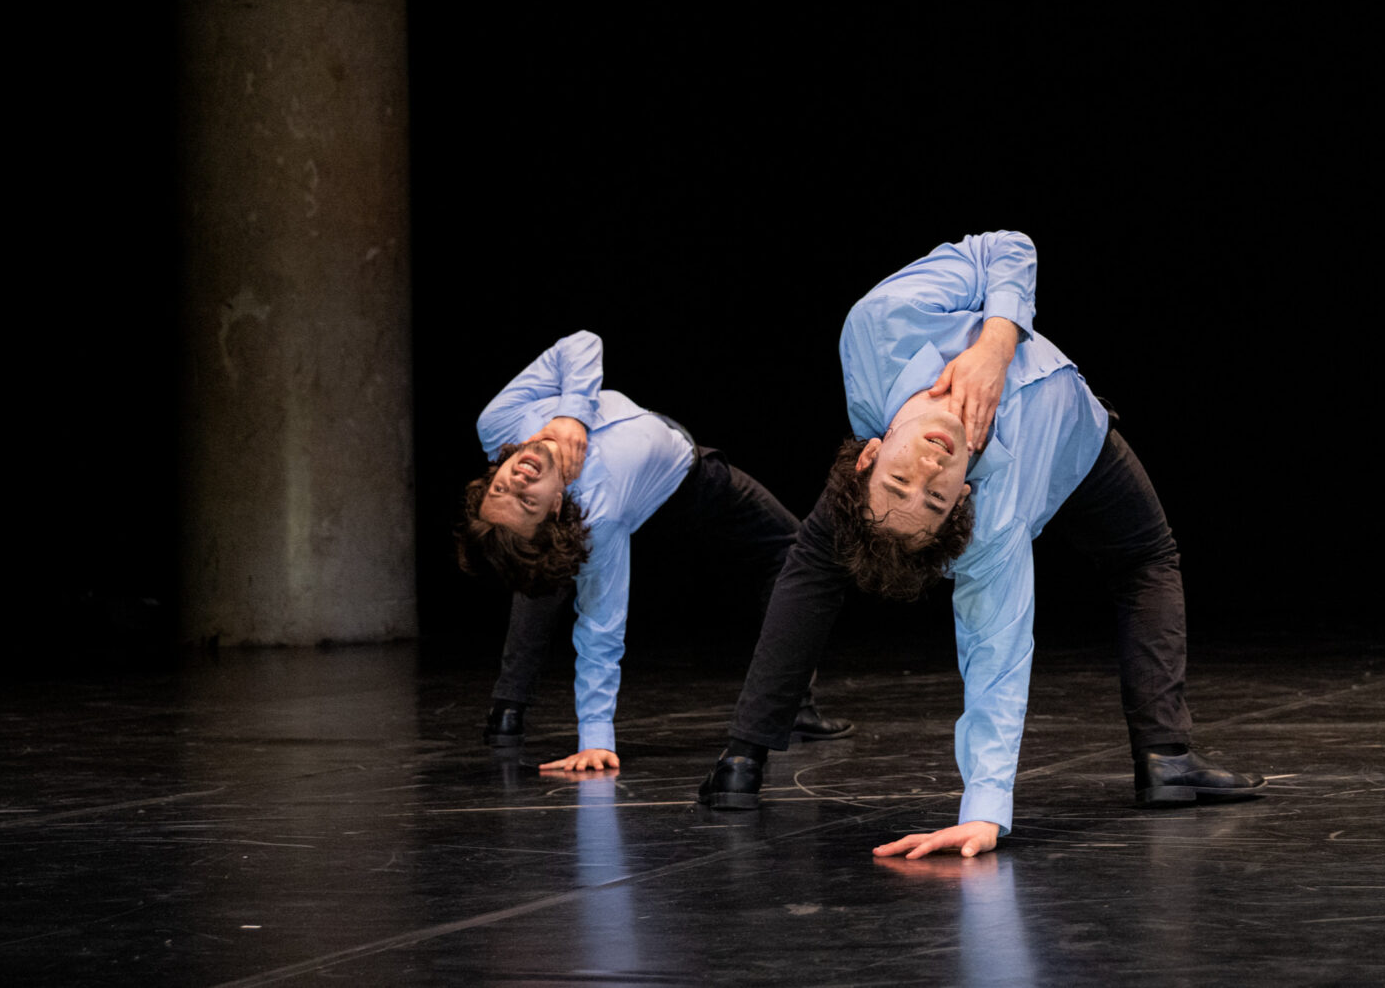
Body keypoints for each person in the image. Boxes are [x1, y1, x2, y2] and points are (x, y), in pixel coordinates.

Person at [696, 231, 1263, 857]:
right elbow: (996, 654)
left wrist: (995, 343)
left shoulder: (882, 327)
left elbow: (1007, 248)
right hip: (1066, 454)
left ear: (870, 454)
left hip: (1070, 433)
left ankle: (741, 759)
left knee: (817, 551)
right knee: (1145, 558)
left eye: (902, 479)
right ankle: (1167, 758)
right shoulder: (989, 522)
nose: (930, 469)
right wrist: (985, 811)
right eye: (936, 497)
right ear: (960, 499)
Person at [455, 330, 849, 771]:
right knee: (543, 563)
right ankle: (509, 706)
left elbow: (581, 343)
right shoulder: (597, 515)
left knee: (533, 553)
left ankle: (508, 709)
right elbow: (600, 628)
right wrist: (596, 737)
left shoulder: (499, 425)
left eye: (501, 488)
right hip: (679, 492)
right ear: (556, 505)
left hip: (684, 483)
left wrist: (572, 414)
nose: (518, 480)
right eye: (527, 500)